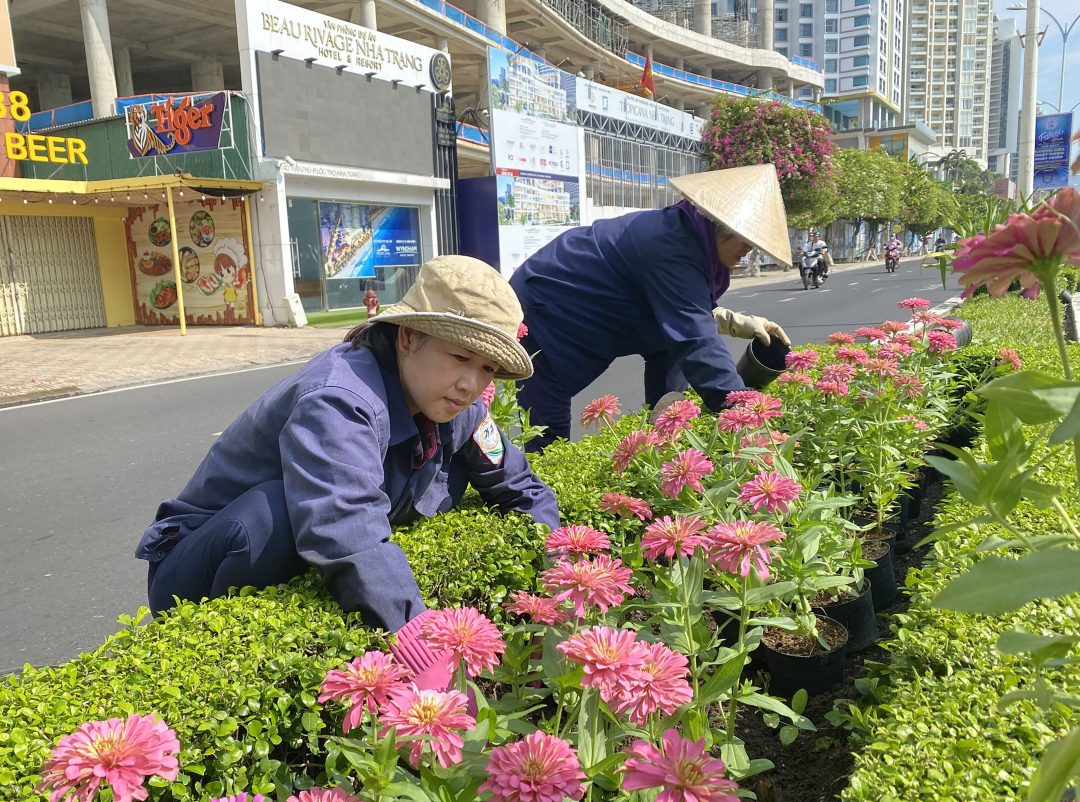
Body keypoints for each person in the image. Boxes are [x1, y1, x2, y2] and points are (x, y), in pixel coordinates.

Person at [137, 255, 559, 687]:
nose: (471, 384)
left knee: (449, 475)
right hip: (199, 564)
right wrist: (427, 658)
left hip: (299, 533)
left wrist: (563, 569)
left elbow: (521, 486)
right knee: (274, 516)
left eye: (487, 369)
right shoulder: (339, 399)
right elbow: (347, 526)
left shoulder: (455, 405)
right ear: (409, 337)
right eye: (460, 357)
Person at [510, 165, 792, 452]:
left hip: (581, 302)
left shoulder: (689, 237)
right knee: (547, 434)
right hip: (546, 308)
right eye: (744, 237)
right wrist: (743, 410)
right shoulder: (672, 245)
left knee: (669, 365)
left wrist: (731, 320)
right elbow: (695, 336)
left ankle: (664, 435)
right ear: (719, 224)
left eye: (754, 242)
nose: (749, 249)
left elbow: (682, 313)